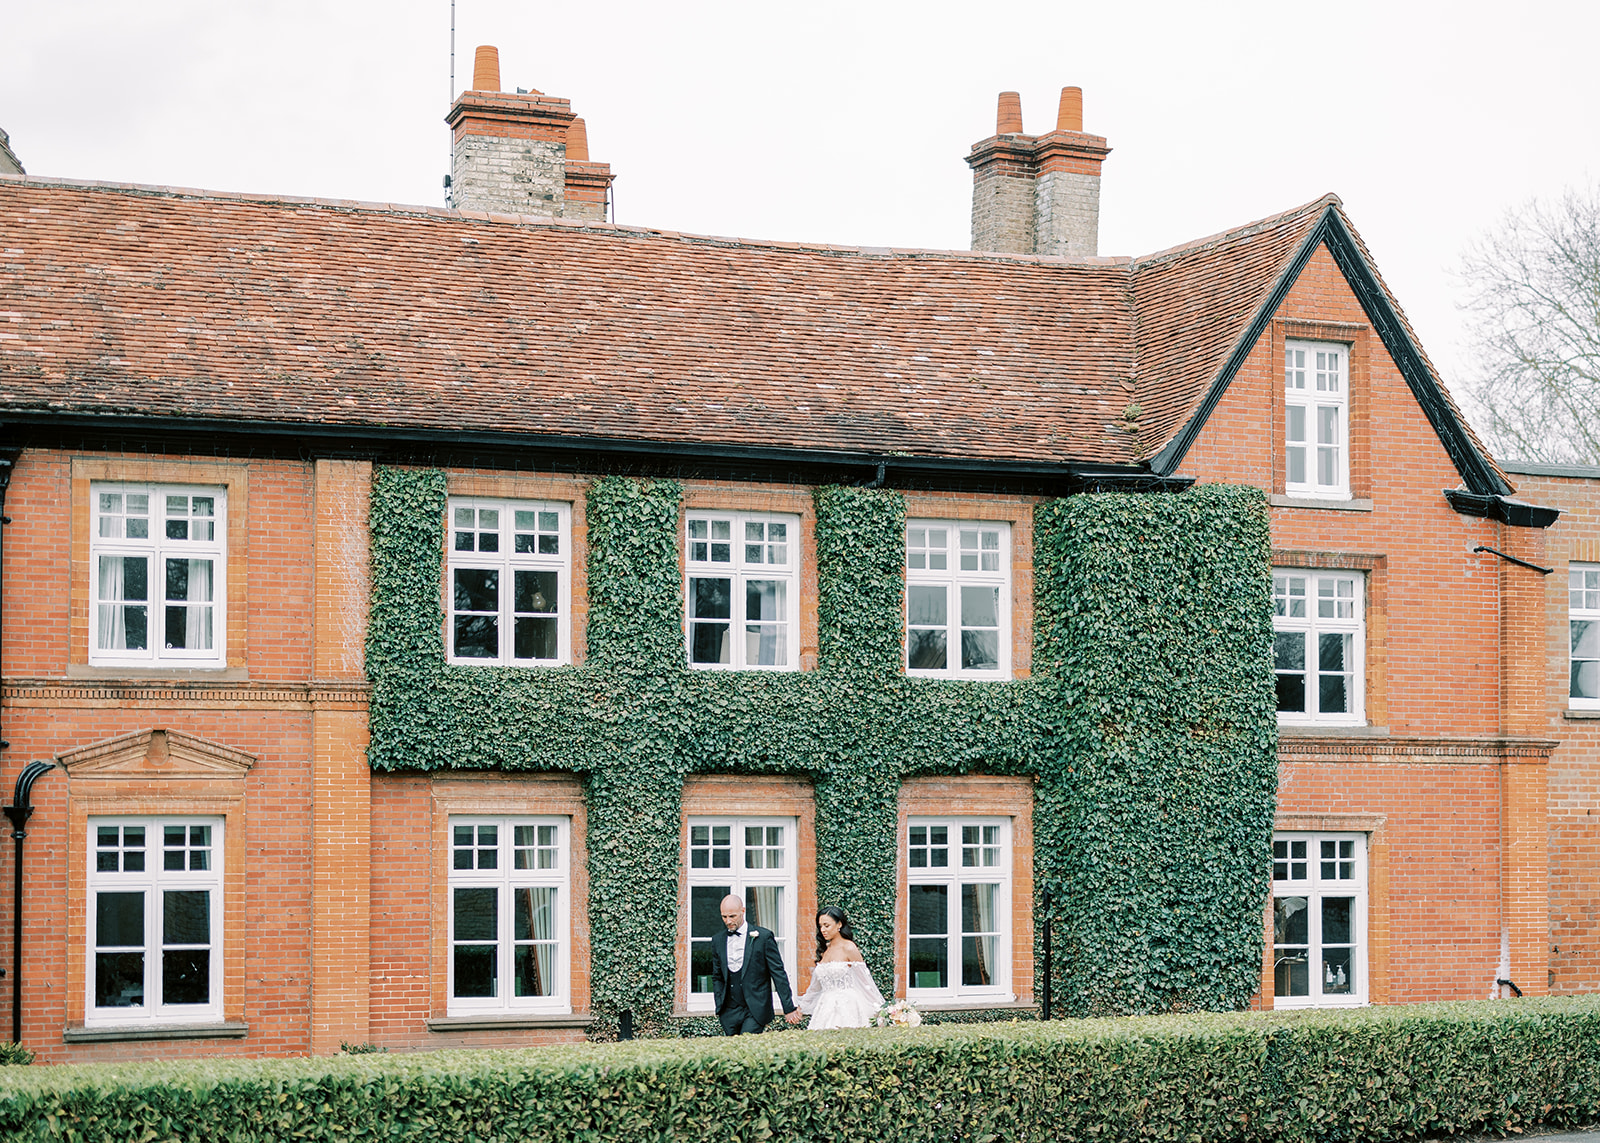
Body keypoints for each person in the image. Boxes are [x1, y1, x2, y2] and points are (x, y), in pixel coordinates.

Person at [710, 894, 802, 1035]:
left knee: (747, 1045)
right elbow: (717, 976)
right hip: (728, 1012)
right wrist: (719, 1003)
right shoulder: (718, 940)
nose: (728, 921)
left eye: (732, 916)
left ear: (743, 911)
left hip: (755, 1009)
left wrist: (788, 1008)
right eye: (724, 917)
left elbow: (778, 973)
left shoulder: (763, 937)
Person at [796, 906, 883, 1030]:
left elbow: (865, 981)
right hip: (825, 1006)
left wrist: (881, 1009)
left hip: (847, 1006)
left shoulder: (849, 948)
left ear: (839, 924)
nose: (822, 930)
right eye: (820, 926)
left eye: (827, 925)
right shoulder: (825, 951)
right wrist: (801, 1008)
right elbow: (815, 987)